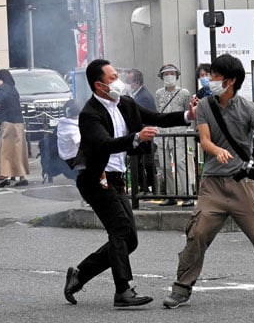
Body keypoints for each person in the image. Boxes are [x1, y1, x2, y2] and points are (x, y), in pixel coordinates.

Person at [163, 53, 254, 309]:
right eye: (211, 75)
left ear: (230, 81)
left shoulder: (248, 107)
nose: (210, 79)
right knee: (197, 233)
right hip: (212, 184)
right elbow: (204, 139)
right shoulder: (204, 106)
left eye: (215, 76)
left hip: (243, 183)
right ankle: (181, 289)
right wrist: (216, 151)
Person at [64, 59, 196, 308]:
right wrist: (135, 137)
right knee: (120, 230)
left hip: (116, 178)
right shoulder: (90, 114)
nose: (119, 81)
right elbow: (104, 144)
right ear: (99, 85)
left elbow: (156, 117)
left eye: (118, 75)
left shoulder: (125, 103)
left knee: (129, 239)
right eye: (113, 77)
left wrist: (189, 114)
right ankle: (123, 290)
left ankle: (80, 274)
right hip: (97, 178)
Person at [154, 64, 194, 207]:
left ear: (176, 76)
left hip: (179, 133)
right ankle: (171, 195)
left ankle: (187, 194)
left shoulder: (184, 93)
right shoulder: (158, 93)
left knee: (180, 163)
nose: (169, 76)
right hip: (162, 133)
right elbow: (158, 112)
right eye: (166, 74)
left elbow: (188, 113)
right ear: (162, 76)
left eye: (172, 73)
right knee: (164, 165)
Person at [0, 69, 30, 187]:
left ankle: (7, 176)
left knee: (6, 150)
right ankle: (22, 176)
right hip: (19, 122)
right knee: (19, 150)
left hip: (8, 122)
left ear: (1, 79)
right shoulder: (13, 88)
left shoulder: (2, 89)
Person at [126, 69, 157, 194]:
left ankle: (148, 187)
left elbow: (145, 118)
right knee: (140, 163)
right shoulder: (137, 95)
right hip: (142, 135)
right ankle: (144, 187)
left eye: (129, 81)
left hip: (144, 135)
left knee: (145, 163)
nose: (127, 84)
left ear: (137, 82)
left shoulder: (143, 97)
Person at [56, 99, 82, 181]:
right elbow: (81, 145)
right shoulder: (73, 129)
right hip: (74, 163)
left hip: (63, 161)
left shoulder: (61, 125)